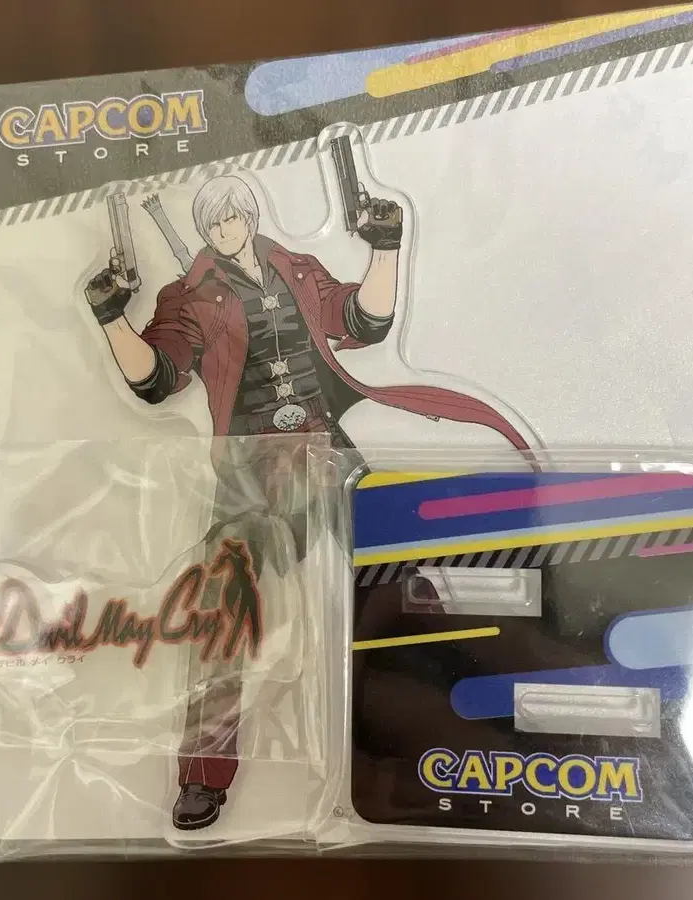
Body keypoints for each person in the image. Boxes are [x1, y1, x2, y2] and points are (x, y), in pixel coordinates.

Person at [84, 174, 535, 830]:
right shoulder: (188, 297)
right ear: (205, 229)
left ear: (249, 215)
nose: (226, 230)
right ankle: (203, 773)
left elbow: (363, 321)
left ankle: (453, 730)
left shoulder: (295, 268)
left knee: (400, 584)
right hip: (249, 469)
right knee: (224, 615)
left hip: (326, 452)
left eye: (234, 217)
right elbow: (156, 378)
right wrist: (110, 317)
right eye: (214, 222)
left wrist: (386, 246)